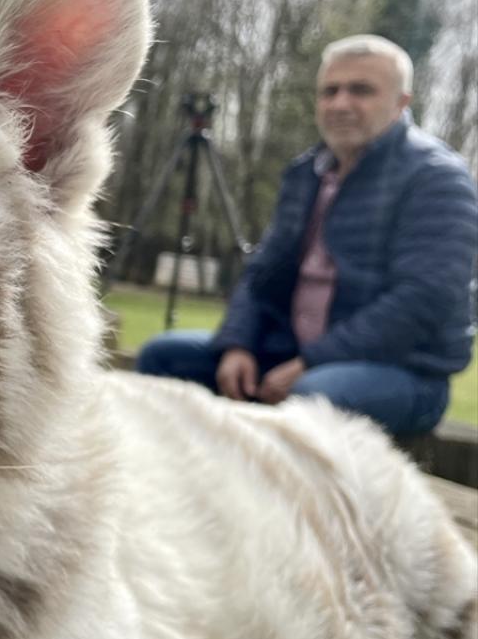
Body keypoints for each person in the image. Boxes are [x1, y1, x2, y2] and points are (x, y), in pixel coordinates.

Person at [135, 34, 478, 437]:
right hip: (291, 354)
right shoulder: (306, 173)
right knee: (164, 357)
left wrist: (311, 361)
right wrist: (238, 344)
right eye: (329, 91)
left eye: (361, 90)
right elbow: (260, 274)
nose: (340, 103)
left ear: (402, 102)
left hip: (402, 372)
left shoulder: (437, 178)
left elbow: (423, 300)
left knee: (314, 394)